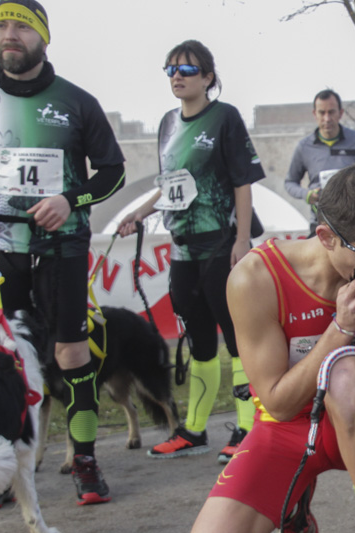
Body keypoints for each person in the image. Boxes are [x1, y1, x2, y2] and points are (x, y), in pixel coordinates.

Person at [183, 163, 355, 533]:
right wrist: (340, 328)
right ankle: (295, 502)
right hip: (286, 427)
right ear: (326, 237)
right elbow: (279, 403)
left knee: (346, 373)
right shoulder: (254, 277)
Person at [0, 0, 126, 505]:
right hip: (0, 246)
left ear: (43, 37)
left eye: (21, 25)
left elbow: (113, 172)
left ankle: (84, 460)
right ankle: (3, 468)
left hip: (62, 243)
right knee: (1, 358)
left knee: (71, 351)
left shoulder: (77, 102)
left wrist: (71, 199)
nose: (10, 34)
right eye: (2, 25)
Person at [118, 40, 263, 464]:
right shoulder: (166, 123)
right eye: (170, 70)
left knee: (236, 341)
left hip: (221, 243)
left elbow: (242, 181)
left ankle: (247, 429)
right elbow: (170, 184)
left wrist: (240, 240)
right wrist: (140, 212)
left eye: (187, 68)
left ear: (208, 77)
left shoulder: (225, 117)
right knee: (199, 342)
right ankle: (194, 430)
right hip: (182, 249)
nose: (177, 76)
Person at [284, 90, 355, 231]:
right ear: (315, 114)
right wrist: (307, 194)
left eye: (331, 112)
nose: (327, 118)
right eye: (322, 112)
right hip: (320, 223)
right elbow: (290, 183)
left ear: (341, 113)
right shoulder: (304, 147)